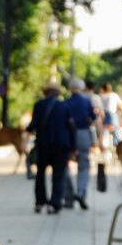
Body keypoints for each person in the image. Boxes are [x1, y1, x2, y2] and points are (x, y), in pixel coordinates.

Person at [27, 83, 74, 214]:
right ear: (58, 93)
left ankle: (40, 202)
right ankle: (54, 204)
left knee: (40, 174)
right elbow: (71, 127)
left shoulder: (39, 105)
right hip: (61, 146)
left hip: (43, 145)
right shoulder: (64, 106)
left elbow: (33, 125)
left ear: (45, 92)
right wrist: (73, 146)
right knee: (58, 175)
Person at [63, 78, 98, 210]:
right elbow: (93, 118)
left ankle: (68, 196)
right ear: (82, 88)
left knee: (64, 165)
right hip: (83, 134)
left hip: (68, 135)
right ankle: (80, 192)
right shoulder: (86, 101)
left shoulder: (65, 103)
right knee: (84, 166)